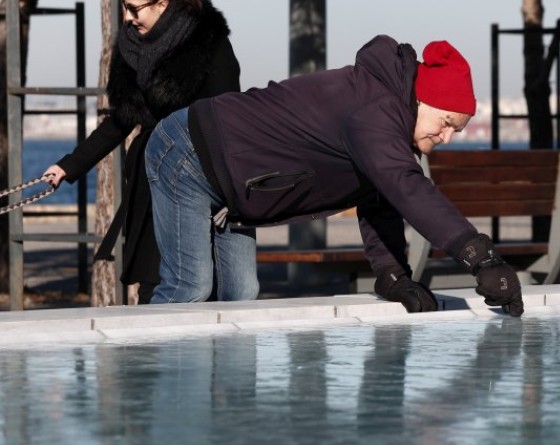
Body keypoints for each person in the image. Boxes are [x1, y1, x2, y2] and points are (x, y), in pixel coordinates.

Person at [145, 35, 524, 316]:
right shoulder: (375, 110)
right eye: (446, 123)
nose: (445, 137)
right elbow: (408, 188)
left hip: (232, 183)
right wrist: (481, 258)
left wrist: (395, 276)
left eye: (455, 131)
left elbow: (383, 200)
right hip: (189, 152)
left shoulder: (390, 127)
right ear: (423, 101)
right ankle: (147, 403)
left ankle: (223, 411)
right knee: (190, 287)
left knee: (241, 294)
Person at [44, 0, 240, 304]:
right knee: (154, 281)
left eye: (134, 8)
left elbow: (228, 116)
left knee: (207, 285)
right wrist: (68, 166)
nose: (127, 18)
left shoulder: (208, 41)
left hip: (203, 181)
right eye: (124, 6)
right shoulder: (131, 48)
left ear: (162, 3)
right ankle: (156, 351)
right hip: (152, 180)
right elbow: (121, 120)